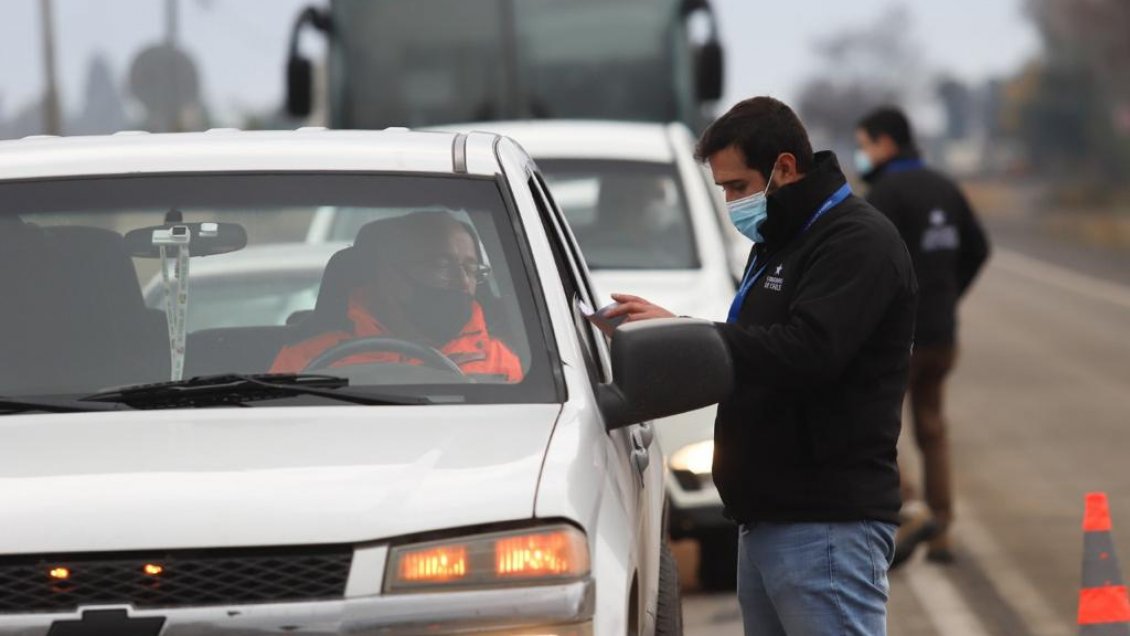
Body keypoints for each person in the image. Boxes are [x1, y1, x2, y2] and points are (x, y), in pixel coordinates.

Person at [606, 96, 917, 635]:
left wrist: (696, 338)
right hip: (769, 518)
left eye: (737, 187)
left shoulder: (856, 241)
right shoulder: (781, 240)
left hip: (825, 525)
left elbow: (807, 351)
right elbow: (758, 340)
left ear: (785, 168)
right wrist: (675, 327)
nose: (731, 203)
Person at [855, 106, 990, 566]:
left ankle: (908, 509)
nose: (862, 153)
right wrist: (950, 295)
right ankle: (942, 531)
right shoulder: (945, 186)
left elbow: (865, 261)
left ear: (886, 144)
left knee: (879, 426)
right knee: (932, 427)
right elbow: (979, 248)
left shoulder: (883, 195)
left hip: (901, 338)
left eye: (865, 143)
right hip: (942, 336)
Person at [271, 211, 523, 382]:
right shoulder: (306, 359)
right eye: (441, 265)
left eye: (471, 269)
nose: (462, 282)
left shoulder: (500, 361)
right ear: (388, 273)